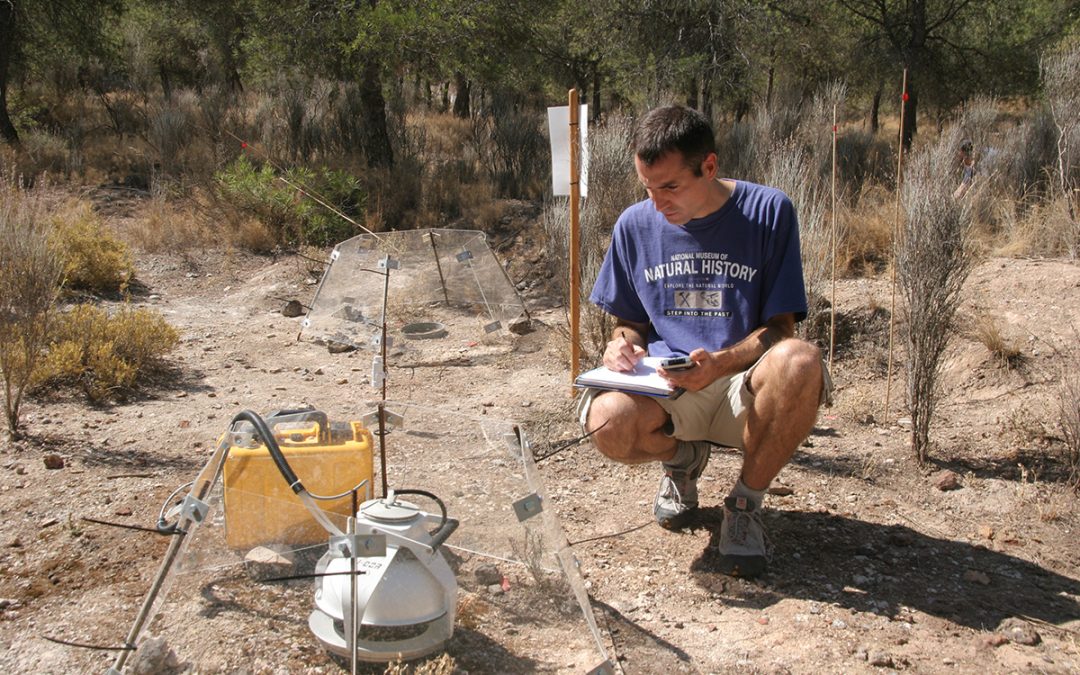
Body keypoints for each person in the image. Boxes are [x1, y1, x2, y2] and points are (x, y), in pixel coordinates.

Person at [577, 105, 831, 578]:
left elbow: (781, 329)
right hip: (671, 389)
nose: (657, 203)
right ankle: (682, 460)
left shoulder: (768, 212)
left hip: (744, 384)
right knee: (604, 421)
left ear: (709, 167)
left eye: (670, 186)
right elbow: (628, 323)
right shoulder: (635, 225)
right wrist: (620, 345)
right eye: (647, 188)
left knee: (801, 361)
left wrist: (721, 362)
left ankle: (744, 502)